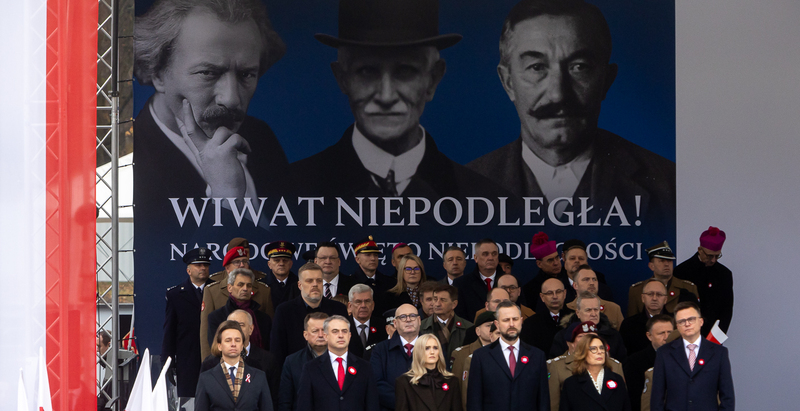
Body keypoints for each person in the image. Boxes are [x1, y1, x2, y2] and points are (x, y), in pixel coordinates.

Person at [467, 0, 675, 222]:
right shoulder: (462, 190)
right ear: (508, 82)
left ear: (607, 80)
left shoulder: (670, 185)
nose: (558, 94)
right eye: (537, 67)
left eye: (579, 67)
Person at [288, 0, 488, 201]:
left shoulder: (485, 201)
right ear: (342, 79)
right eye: (367, 71)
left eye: (405, 71)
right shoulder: (287, 192)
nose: (386, 96)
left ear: (433, 80)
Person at [133, 0, 288, 204]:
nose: (231, 99)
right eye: (208, 73)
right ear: (158, 74)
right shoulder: (129, 165)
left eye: (246, 74)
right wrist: (226, 194)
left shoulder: (259, 137)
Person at [201, 238, 273, 359]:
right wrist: (208, 365)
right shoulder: (212, 290)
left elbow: (269, 332)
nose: (242, 265)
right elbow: (205, 336)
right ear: (227, 268)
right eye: (237, 262)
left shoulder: (263, 289)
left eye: (245, 261)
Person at [270, 263, 348, 369]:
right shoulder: (284, 311)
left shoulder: (339, 309)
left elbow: (347, 346)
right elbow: (277, 351)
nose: (315, 284)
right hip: (297, 375)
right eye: (309, 281)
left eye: (319, 280)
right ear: (299, 285)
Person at [162, 246, 211, 397]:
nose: (203, 268)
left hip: (213, 357)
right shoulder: (176, 294)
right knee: (189, 405)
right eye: (198, 265)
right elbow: (170, 330)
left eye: (205, 265)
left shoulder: (217, 289)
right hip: (188, 360)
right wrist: (168, 361)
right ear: (188, 270)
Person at [673, 227, 734, 336]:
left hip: (713, 336)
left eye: (717, 256)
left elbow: (726, 310)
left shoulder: (725, 274)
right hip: (686, 335)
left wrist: (716, 338)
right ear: (700, 250)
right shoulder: (682, 271)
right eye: (710, 256)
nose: (713, 260)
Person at [206, 268, 272, 350]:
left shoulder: (264, 319)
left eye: (249, 285)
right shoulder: (216, 317)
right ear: (229, 288)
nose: (245, 288)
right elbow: (216, 348)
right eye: (240, 284)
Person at [628, 241, 699, 318]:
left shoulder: (688, 288)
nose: (666, 264)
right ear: (651, 266)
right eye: (662, 261)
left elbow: (695, 319)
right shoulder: (637, 290)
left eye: (669, 260)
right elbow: (632, 323)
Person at [420, 284, 474, 362]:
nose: (437, 304)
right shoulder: (421, 327)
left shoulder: (469, 328)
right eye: (435, 299)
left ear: (454, 304)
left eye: (443, 300)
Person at [454, 238, 503, 320]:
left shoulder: (510, 281)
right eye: (485, 254)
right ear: (476, 258)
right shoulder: (462, 284)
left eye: (494, 254)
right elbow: (459, 317)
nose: (490, 258)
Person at [521, 232, 570, 312]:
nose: (556, 263)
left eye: (557, 258)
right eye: (550, 260)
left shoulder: (570, 279)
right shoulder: (530, 289)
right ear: (539, 264)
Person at [619, 279, 668, 355]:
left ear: (665, 299)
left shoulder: (675, 323)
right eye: (650, 294)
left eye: (659, 294)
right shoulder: (628, 325)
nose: (654, 298)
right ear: (643, 298)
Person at [565, 266, 623, 330]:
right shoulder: (567, 308)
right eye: (586, 279)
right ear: (575, 285)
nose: (592, 283)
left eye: (594, 279)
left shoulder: (613, 309)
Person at [520, 277, 567, 354]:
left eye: (558, 292)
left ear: (565, 294)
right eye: (549, 293)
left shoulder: (575, 318)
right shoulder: (531, 323)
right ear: (542, 297)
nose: (555, 296)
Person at [347, 284, 388, 359]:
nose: (363, 305)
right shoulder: (343, 326)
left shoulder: (382, 326)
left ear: (373, 305)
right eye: (358, 302)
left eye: (367, 301)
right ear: (350, 306)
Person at [263, 241, 300, 309]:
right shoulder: (261, 284)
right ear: (269, 264)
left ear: (291, 264)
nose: (281, 264)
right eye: (277, 260)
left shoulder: (300, 284)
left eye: (285, 260)